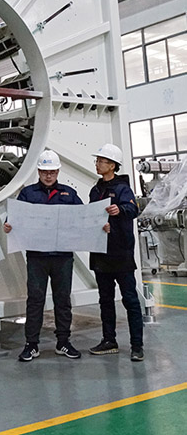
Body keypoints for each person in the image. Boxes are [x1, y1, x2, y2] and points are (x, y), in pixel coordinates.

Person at [4, 150, 83, 362]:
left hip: (62, 256)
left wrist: (100, 226)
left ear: (58, 171)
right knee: (35, 300)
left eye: (53, 172)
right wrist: (9, 225)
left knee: (62, 299)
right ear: (38, 171)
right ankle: (31, 344)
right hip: (37, 257)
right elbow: (14, 218)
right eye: (45, 172)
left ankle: (63, 342)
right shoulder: (28, 194)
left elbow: (83, 218)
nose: (49, 175)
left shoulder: (69, 194)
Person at [88, 144, 144, 362]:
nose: (97, 164)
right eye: (97, 160)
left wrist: (119, 209)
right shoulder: (95, 190)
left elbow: (133, 209)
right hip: (101, 253)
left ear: (112, 165)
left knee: (130, 300)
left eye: (101, 161)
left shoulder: (122, 189)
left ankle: (137, 346)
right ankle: (109, 340)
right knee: (105, 300)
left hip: (121, 254)